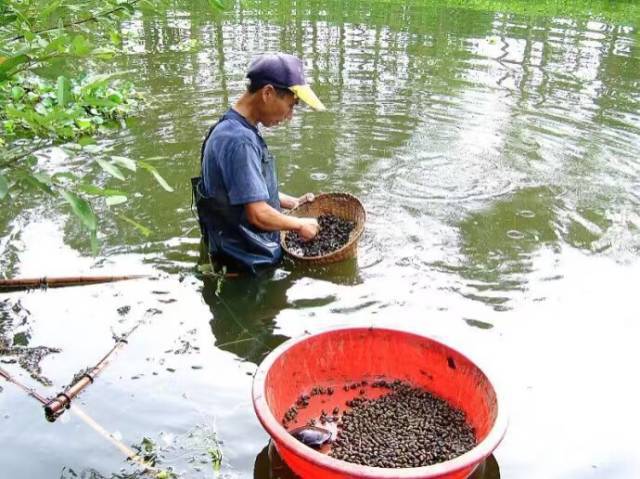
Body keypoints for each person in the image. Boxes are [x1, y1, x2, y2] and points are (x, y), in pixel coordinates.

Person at [193, 52, 325, 274]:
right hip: (246, 266)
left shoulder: (230, 127)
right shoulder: (240, 141)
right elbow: (257, 213)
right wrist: (300, 224)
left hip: (230, 252)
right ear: (268, 93)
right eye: (291, 105)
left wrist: (293, 203)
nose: (290, 116)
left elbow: (244, 191)